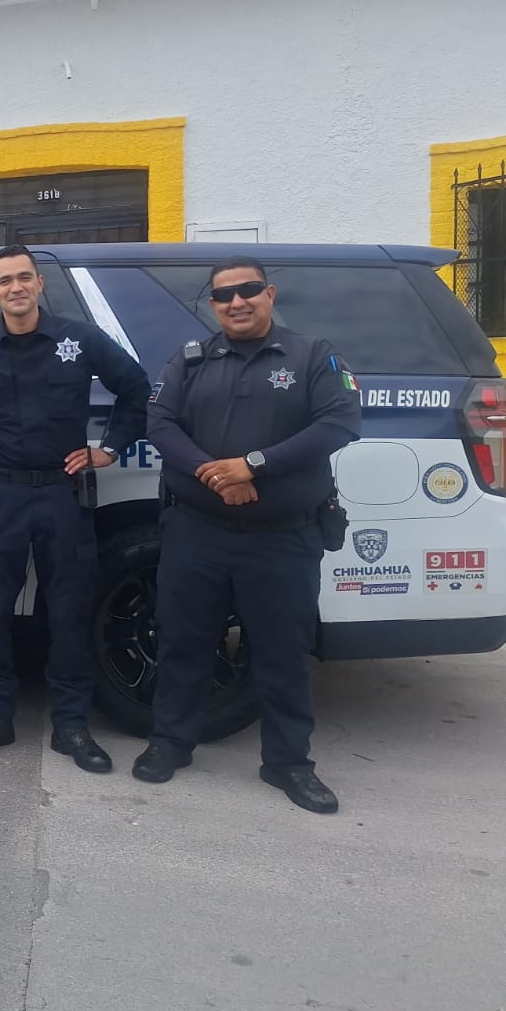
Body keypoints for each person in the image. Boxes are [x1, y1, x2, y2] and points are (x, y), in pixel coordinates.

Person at [135, 257, 361, 813]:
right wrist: (214, 473)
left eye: (249, 290)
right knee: (182, 642)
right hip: (197, 532)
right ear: (213, 305)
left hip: (282, 539)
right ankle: (170, 742)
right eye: (224, 295)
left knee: (284, 652)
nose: (237, 302)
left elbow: (338, 423)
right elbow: (160, 422)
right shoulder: (190, 360)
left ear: (270, 294)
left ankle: (288, 763)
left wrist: (252, 466)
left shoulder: (312, 355)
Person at [0, 245, 149, 772]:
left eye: (24, 278)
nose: (15, 287)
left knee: (69, 611)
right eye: (4, 281)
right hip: (0, 495)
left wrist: (109, 448)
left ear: (39, 284)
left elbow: (136, 390)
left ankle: (71, 725)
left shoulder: (79, 341)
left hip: (63, 493)